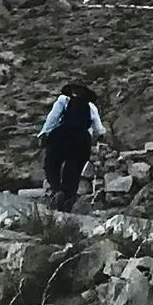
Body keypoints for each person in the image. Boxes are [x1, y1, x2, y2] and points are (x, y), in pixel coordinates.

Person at [39, 81, 106, 209]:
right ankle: (67, 199)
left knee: (51, 164)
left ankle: (57, 190)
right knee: (73, 171)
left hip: (62, 135)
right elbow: (99, 129)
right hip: (82, 140)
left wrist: (44, 133)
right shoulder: (91, 107)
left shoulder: (63, 100)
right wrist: (98, 137)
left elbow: (53, 117)